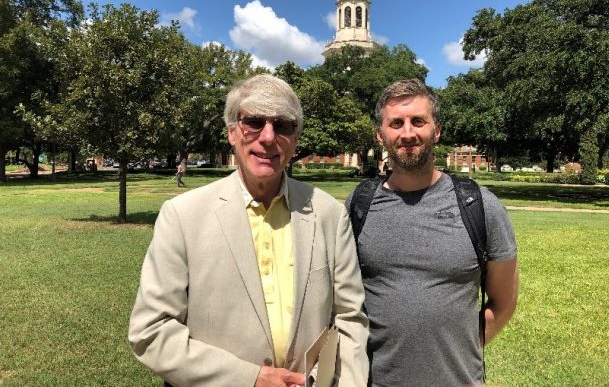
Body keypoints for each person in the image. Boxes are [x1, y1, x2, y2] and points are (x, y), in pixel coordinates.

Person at [129, 74, 368, 387]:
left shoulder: (329, 215)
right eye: (254, 122)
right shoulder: (183, 216)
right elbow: (152, 331)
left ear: (295, 140)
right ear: (231, 133)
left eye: (282, 125)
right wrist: (250, 379)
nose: (268, 137)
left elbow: (349, 320)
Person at [347, 79, 519, 386]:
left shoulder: (480, 205)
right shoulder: (358, 206)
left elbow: (504, 303)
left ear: (436, 131)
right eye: (396, 123)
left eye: (419, 121)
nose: (408, 133)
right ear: (381, 135)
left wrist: (461, 351)